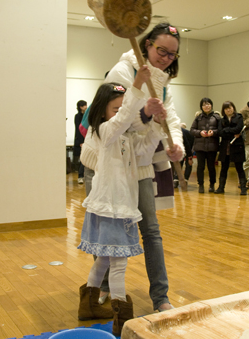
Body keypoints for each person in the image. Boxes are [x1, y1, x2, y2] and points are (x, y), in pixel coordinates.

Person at [77, 68, 166, 336]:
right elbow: (124, 118)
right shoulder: (104, 132)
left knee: (104, 259)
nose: (120, 113)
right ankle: (121, 318)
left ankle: (89, 304)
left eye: (121, 108)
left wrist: (156, 124)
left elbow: (146, 150)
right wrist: (137, 87)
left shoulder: (126, 138)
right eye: (114, 109)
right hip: (110, 207)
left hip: (120, 208)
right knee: (118, 264)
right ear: (102, 111)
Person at [104, 22, 184, 313]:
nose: (165, 57)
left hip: (141, 163)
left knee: (150, 229)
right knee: (110, 230)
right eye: (161, 50)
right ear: (147, 44)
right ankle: (102, 291)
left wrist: (177, 147)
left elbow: (171, 116)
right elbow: (115, 120)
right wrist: (145, 113)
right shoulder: (121, 72)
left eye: (172, 54)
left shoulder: (162, 80)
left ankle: (160, 297)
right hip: (113, 164)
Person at [215, 101, 247, 195]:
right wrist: (231, 132)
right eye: (226, 108)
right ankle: (221, 187)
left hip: (237, 146)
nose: (228, 110)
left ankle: (243, 188)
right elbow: (220, 132)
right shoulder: (221, 120)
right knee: (224, 168)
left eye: (230, 107)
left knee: (239, 168)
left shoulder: (239, 117)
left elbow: (238, 129)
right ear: (223, 110)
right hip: (225, 146)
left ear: (233, 108)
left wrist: (226, 131)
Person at [190, 98, 221, 193]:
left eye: (208, 104)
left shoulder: (217, 117)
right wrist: (200, 133)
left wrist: (214, 132)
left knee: (211, 166)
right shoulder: (198, 118)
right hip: (200, 146)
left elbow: (220, 131)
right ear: (201, 107)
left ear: (211, 105)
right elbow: (192, 130)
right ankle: (201, 185)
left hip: (212, 146)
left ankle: (212, 184)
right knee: (200, 166)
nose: (206, 106)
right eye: (204, 105)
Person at [173, 123, 194, 187]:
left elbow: (187, 144)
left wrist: (189, 157)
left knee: (185, 164)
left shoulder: (180, 132)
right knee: (183, 163)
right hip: (185, 148)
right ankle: (180, 180)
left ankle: (181, 180)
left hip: (188, 148)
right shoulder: (184, 132)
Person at [74, 100, 88, 184]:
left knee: (85, 159)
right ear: (81, 107)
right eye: (84, 105)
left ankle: (82, 175)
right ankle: (80, 176)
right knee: (82, 159)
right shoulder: (77, 116)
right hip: (81, 141)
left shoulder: (86, 116)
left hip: (86, 140)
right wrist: (81, 142)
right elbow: (78, 130)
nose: (86, 107)